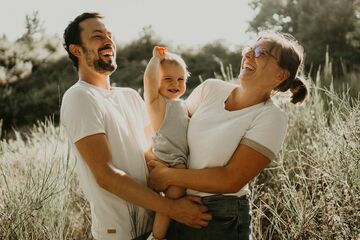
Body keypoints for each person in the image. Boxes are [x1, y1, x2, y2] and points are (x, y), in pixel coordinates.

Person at [60, 12, 211, 240]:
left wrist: (172, 183)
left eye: (110, 35)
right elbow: (105, 175)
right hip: (120, 233)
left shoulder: (129, 96)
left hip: (155, 225)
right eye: (98, 36)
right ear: (76, 50)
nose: (108, 41)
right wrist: (172, 208)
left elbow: (150, 153)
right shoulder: (79, 97)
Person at [148, 32, 308, 240]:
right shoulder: (210, 88)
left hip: (219, 218)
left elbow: (230, 179)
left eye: (260, 53)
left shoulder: (271, 117)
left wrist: (165, 176)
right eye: (249, 49)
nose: (249, 56)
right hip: (176, 206)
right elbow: (171, 130)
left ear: (280, 75)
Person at [143, 46, 190, 240]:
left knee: (175, 198)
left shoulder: (182, 104)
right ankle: (156, 237)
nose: (175, 84)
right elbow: (149, 80)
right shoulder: (158, 104)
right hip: (168, 161)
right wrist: (155, 59)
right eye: (168, 79)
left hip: (176, 160)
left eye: (181, 79)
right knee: (169, 203)